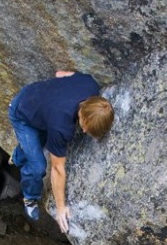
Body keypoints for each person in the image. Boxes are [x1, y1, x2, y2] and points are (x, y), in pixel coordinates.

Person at [8, 70, 114, 232]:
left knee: (36, 144)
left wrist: (56, 96)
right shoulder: (61, 127)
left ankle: (17, 156)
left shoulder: (90, 84)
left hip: (36, 99)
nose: (84, 132)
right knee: (37, 165)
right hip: (21, 113)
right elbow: (58, 169)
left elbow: (59, 74)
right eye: (87, 128)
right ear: (83, 118)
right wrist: (60, 208)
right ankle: (30, 198)